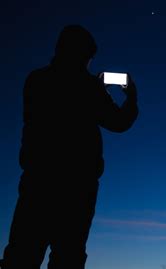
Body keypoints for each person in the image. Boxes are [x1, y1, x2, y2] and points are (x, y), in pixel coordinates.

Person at [0, 25, 138, 269]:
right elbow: (118, 122)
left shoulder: (36, 80)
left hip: (37, 181)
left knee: (23, 253)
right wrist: (131, 98)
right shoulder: (88, 87)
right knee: (68, 256)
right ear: (85, 55)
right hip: (77, 185)